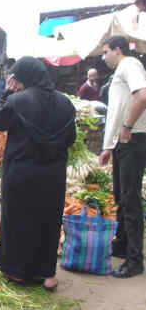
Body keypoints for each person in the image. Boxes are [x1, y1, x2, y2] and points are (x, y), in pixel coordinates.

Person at [0, 57, 76, 290]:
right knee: (48, 221)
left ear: (24, 77)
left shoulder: (18, 100)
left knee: (18, 218)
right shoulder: (66, 103)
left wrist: (6, 93)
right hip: (53, 175)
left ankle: (17, 272)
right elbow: (71, 139)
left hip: (22, 172)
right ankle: (47, 275)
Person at [99, 36, 146, 278]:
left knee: (130, 199)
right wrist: (109, 145)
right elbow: (120, 107)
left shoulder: (130, 65)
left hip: (133, 139)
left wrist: (127, 128)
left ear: (117, 50)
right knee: (121, 195)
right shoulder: (122, 70)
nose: (103, 57)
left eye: (105, 52)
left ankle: (135, 260)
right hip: (122, 142)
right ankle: (123, 244)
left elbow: (143, 96)